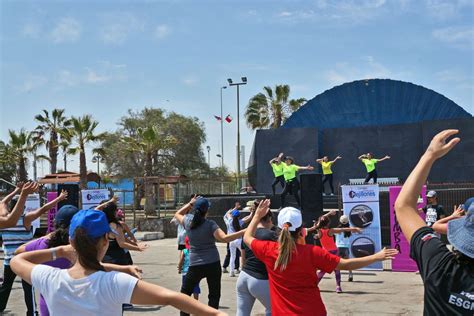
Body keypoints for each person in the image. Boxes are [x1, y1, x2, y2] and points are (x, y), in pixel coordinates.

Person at [10, 209, 226, 316]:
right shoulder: (114, 282)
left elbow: (17, 260)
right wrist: (216, 313)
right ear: (106, 240)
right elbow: (171, 297)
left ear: (71, 240)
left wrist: (59, 251)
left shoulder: (50, 279)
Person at [244, 201, 397, 315]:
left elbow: (247, 237)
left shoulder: (268, 250)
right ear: (301, 230)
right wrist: (376, 256)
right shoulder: (313, 252)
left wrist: (257, 216)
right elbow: (346, 265)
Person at [394, 129, 473, 315]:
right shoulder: (428, 210)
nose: (428, 200)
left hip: (432, 241)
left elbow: (404, 206)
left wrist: (429, 155)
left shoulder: (440, 264)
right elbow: (432, 222)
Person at [0, 185, 67, 316]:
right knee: (28, 289)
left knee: (5, 287)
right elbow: (44, 209)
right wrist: (58, 199)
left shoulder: (3, 219)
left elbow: (2, 202)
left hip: (9, 261)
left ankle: (0, 307)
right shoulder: (26, 218)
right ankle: (32, 312)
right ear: (22, 207)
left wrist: (17, 191)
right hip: (25, 260)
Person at [174, 195, 246, 316]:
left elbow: (177, 214)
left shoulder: (188, 222)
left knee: (185, 294)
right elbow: (224, 238)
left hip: (195, 265)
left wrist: (190, 203)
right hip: (213, 264)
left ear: (195, 209)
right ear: (207, 210)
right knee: (214, 295)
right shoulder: (210, 224)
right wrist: (243, 232)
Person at [236, 206, 276, 316]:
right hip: (261, 278)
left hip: (243, 277)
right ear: (269, 219)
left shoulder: (247, 235)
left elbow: (243, 259)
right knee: (273, 310)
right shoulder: (272, 235)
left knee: (242, 312)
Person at [314, 211, 362, 293]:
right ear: (328, 223)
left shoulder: (319, 231)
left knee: (322, 270)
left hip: (325, 253)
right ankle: (338, 287)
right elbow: (343, 229)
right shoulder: (331, 231)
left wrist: (328, 214)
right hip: (334, 252)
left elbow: (319, 220)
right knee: (337, 270)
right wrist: (355, 229)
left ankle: (314, 285)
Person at [222, 202, 242, 273]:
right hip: (237, 239)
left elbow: (225, 216)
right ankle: (236, 268)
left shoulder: (229, 221)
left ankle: (227, 267)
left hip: (229, 239)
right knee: (237, 254)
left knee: (230, 254)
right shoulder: (239, 222)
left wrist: (232, 209)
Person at [335, 215, 354, 282]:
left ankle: (338, 278)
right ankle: (350, 274)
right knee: (348, 262)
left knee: (337, 264)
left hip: (338, 247)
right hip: (346, 247)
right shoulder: (349, 230)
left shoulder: (337, 229)